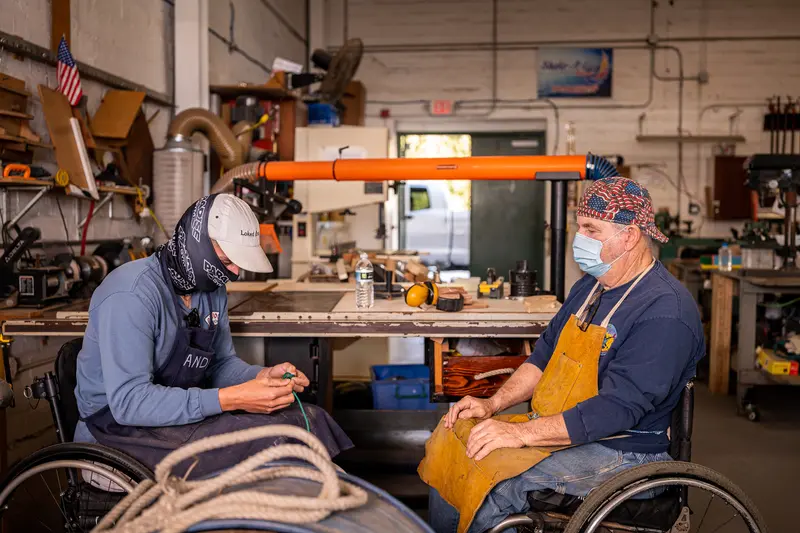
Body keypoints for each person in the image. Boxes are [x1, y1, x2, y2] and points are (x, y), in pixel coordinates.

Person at [420, 176, 705, 533]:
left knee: (495, 483)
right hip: (567, 427)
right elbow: (542, 358)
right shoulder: (590, 287)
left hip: (625, 450)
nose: (579, 238)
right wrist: (492, 405)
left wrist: (522, 434)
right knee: (454, 441)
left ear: (630, 235)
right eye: (579, 227)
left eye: (590, 228)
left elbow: (618, 408)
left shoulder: (666, 312)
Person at [74, 193, 352, 476]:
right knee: (271, 446)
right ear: (197, 246)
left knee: (308, 421)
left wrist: (259, 376)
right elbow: (130, 403)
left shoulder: (210, 289)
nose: (234, 272)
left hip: (176, 418)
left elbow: (220, 364)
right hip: (117, 430)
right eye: (226, 260)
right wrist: (232, 398)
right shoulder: (131, 294)